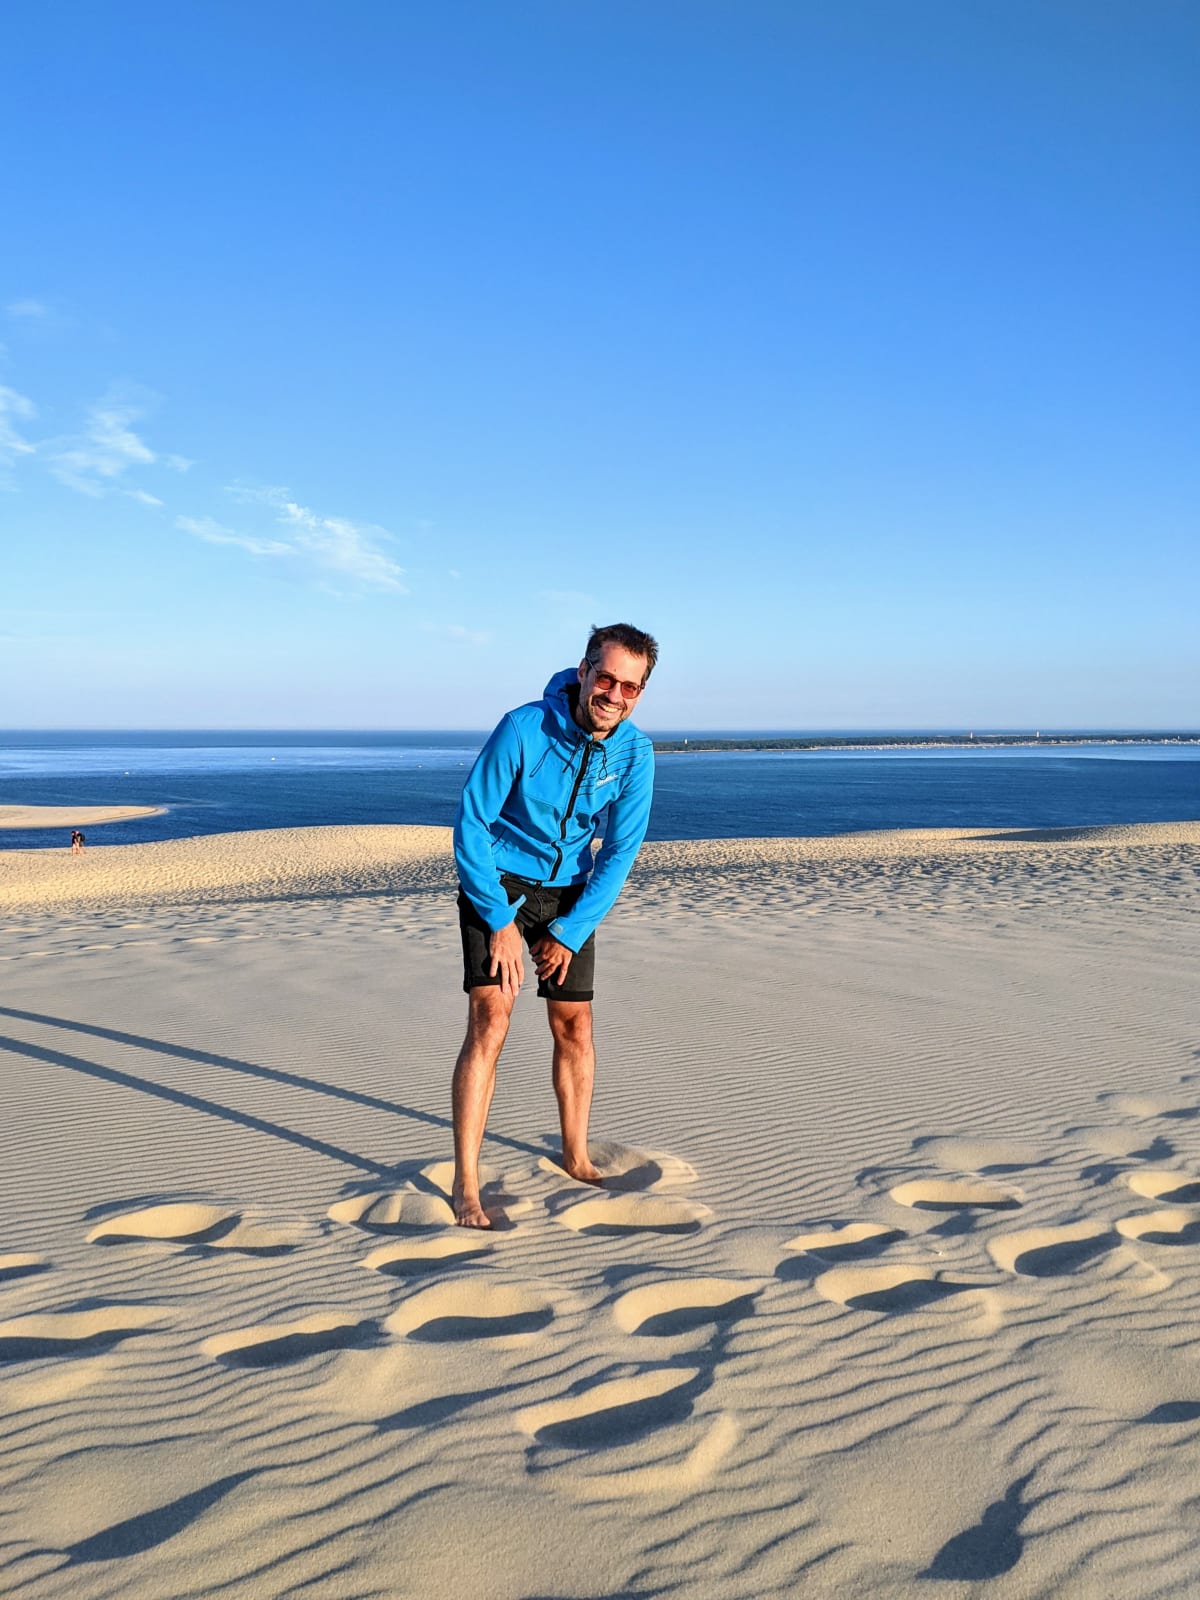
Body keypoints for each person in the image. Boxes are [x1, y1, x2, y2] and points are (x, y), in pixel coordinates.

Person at [451, 622, 659, 1227]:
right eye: (606, 678)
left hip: (570, 893)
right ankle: (467, 1183)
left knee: (575, 1023)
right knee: (491, 1018)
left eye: (630, 686)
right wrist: (499, 921)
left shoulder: (636, 753)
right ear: (584, 670)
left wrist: (569, 931)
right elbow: (470, 824)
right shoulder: (523, 728)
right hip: (499, 883)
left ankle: (576, 1155)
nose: (614, 695)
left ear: (640, 691)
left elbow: (620, 851)